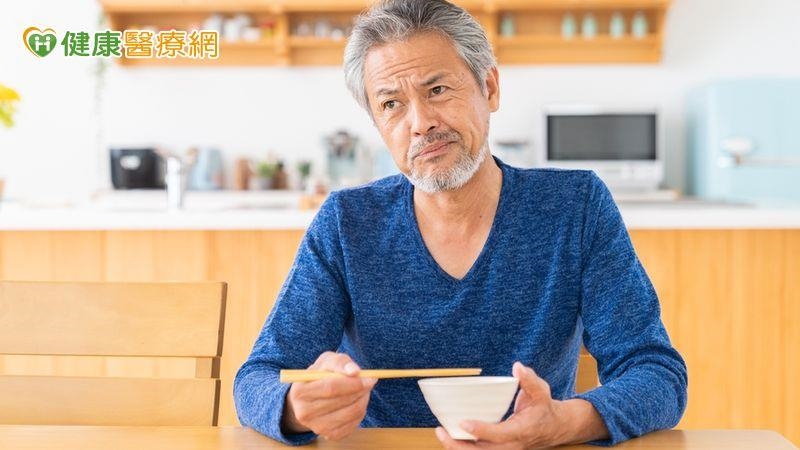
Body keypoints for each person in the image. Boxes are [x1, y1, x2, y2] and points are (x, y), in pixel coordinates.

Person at [234, 0, 687, 448]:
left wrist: (564, 422)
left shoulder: (575, 207)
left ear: (489, 87)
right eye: (392, 104)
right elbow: (256, 379)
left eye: (437, 90)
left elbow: (657, 374)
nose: (420, 123)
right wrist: (298, 406)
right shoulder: (346, 223)